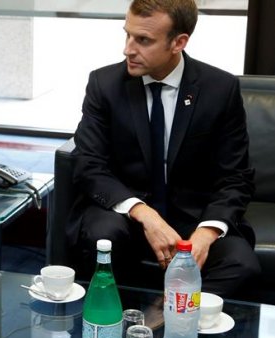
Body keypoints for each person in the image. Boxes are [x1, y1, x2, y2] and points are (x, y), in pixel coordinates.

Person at [67, 0, 260, 297]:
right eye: (127, 35)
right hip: (127, 214)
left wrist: (206, 234)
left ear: (178, 42)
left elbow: (235, 177)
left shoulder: (220, 89)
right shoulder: (104, 84)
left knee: (242, 265)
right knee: (100, 236)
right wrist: (145, 214)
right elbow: (89, 164)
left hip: (193, 218)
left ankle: (166, 320)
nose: (128, 49)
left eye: (143, 40)